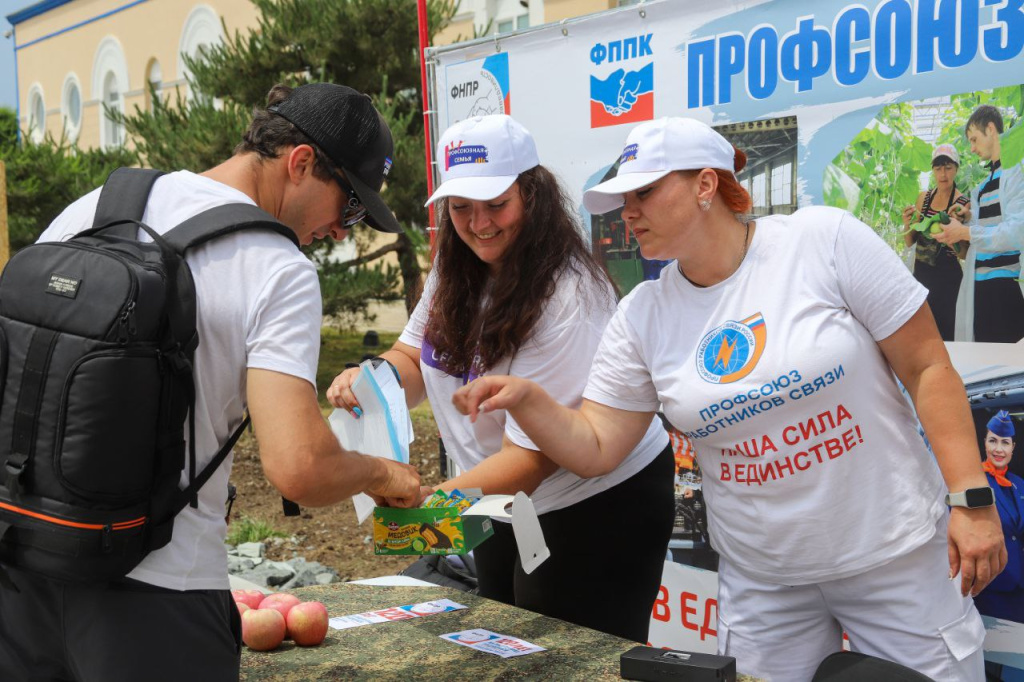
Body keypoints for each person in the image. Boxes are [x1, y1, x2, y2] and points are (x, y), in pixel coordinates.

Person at [453, 117, 1007, 682]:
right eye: (624, 197)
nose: (629, 211)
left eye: (645, 191)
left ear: (705, 185)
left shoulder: (823, 242)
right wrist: (529, 401)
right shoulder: (643, 315)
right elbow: (596, 446)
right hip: (765, 584)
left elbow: (929, 368)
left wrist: (972, 499)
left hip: (893, 557)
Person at [0, 83, 421, 682]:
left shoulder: (96, 206)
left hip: (25, 565)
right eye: (349, 204)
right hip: (159, 594)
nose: (343, 231)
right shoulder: (279, 269)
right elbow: (298, 464)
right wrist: (383, 474)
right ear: (300, 163)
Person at [327, 114, 674, 642]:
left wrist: (421, 504)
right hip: (495, 497)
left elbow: (534, 460)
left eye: (496, 205)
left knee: (563, 655)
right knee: (501, 638)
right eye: (461, 208)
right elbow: (414, 355)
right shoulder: (455, 264)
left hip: (594, 501)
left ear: (531, 195)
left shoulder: (568, 296)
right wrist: (369, 380)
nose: (479, 223)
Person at [935, 105, 1024, 342]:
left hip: (1008, 287)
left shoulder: (1017, 173)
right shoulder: (981, 189)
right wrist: (966, 221)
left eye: (974, 139)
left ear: (991, 129)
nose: (972, 148)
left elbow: (1018, 232)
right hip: (979, 290)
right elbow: (981, 236)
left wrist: (966, 230)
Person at [901, 143, 971, 340]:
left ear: (956, 169)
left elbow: (964, 254)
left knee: (947, 334)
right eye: (938, 168)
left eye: (948, 168)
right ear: (933, 170)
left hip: (948, 280)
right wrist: (907, 224)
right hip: (922, 276)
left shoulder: (963, 204)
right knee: (923, 335)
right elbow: (909, 241)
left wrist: (952, 238)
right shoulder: (923, 199)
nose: (943, 174)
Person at [973, 410, 1024, 622]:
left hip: (1019, 585)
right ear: (984, 442)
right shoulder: (973, 482)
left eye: (1005, 442)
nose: (999, 449)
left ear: (1013, 447)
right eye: (993, 441)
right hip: (990, 587)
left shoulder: (1019, 483)